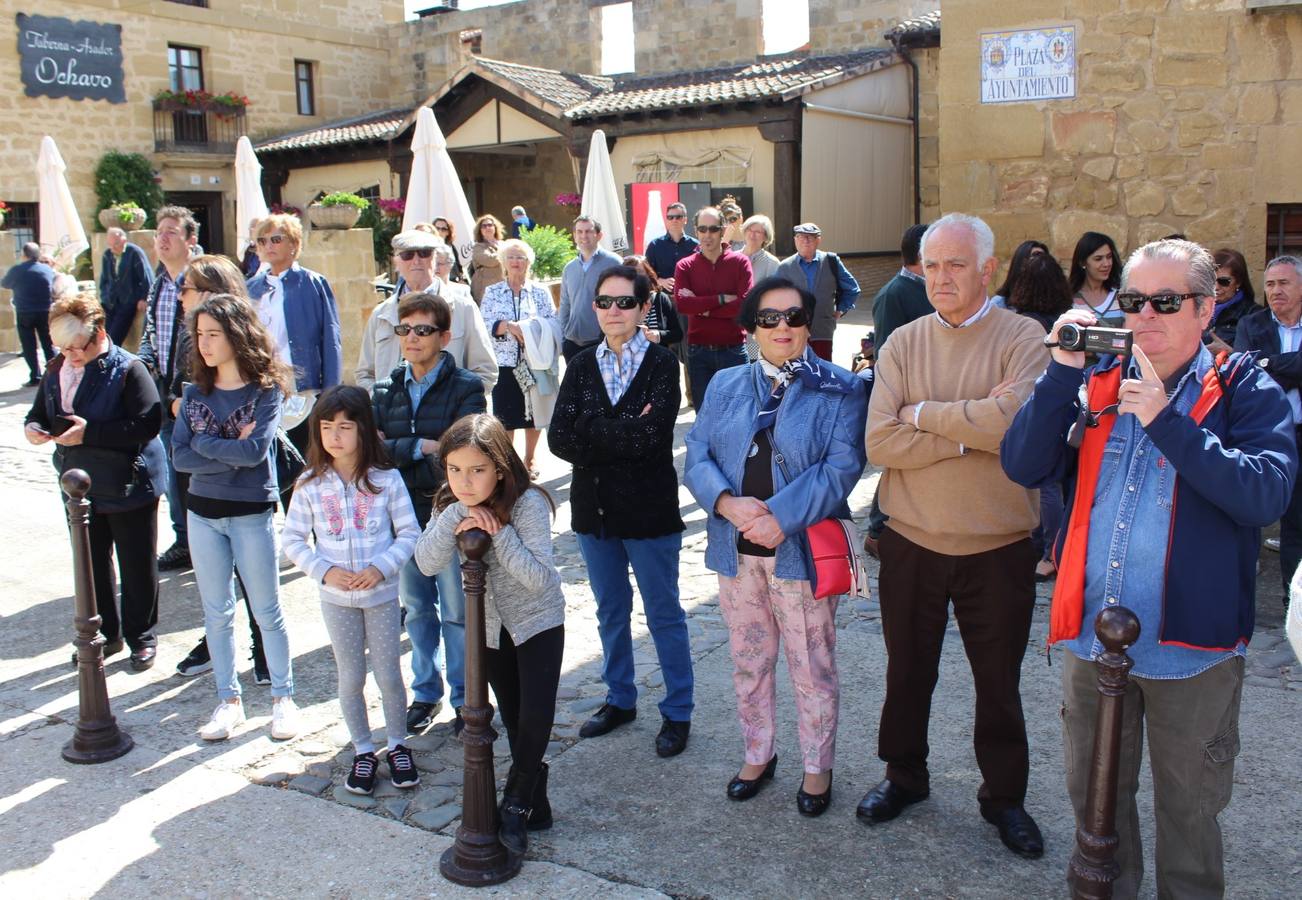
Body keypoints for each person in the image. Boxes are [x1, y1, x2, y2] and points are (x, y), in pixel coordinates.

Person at [1002, 239, 1297, 897]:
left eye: (1166, 302)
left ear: (1206, 306)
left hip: (1190, 652)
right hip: (1089, 641)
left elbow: (1265, 494)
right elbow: (1022, 464)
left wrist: (1167, 421)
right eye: (1133, 301)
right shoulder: (1096, 379)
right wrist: (1059, 372)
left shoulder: (1245, 385)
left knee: (1189, 817)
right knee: (1095, 810)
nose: (1145, 317)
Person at [859, 213, 1050, 858]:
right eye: (932, 264)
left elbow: (1016, 426)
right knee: (907, 673)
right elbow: (879, 439)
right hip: (912, 540)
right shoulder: (902, 343)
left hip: (998, 547)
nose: (940, 277)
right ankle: (903, 777)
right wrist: (974, 431)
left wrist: (927, 418)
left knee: (998, 682)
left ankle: (1004, 798)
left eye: (956, 265)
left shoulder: (1025, 338)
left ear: (987, 270)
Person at [684, 276, 868, 816]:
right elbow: (696, 454)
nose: (782, 327)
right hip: (735, 549)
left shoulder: (840, 388)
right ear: (751, 327)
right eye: (769, 318)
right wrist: (724, 503)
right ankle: (758, 754)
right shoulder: (724, 385)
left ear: (809, 323)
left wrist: (780, 518)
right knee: (749, 660)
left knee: (812, 666)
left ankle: (817, 766)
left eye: (793, 316)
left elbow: (841, 468)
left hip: (800, 552)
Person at [548, 265, 694, 757]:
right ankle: (620, 698)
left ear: (642, 306)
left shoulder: (661, 365)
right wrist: (621, 431)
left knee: (663, 613)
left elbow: (654, 440)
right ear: (594, 307)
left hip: (649, 511)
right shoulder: (583, 364)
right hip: (595, 512)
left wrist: (591, 427)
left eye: (625, 302)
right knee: (611, 610)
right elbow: (559, 439)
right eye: (605, 302)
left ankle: (678, 710)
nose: (614, 311)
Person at [414, 413, 564, 858]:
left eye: (477, 470)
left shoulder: (529, 503)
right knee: (516, 719)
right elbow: (424, 562)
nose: (464, 480)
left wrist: (500, 535)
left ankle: (516, 804)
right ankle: (538, 804)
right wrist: (457, 514)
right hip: (490, 630)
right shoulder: (450, 504)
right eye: (454, 469)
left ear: (499, 466)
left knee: (535, 717)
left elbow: (541, 580)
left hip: (537, 623)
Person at [282, 385, 422, 795]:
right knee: (350, 676)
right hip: (336, 601)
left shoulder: (386, 480)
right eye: (327, 427)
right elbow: (292, 541)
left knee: (389, 673)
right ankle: (363, 749)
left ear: (364, 429)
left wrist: (381, 568)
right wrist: (324, 571)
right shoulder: (309, 484)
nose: (335, 436)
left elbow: (409, 532)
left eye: (345, 426)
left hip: (380, 598)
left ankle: (397, 743)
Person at [171, 293, 299, 742]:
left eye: (214, 334)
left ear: (237, 335)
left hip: (250, 513)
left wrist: (206, 443)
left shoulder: (265, 392)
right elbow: (180, 458)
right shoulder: (192, 393)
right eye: (199, 335)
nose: (204, 344)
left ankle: (283, 698)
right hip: (202, 513)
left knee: (267, 610)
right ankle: (228, 701)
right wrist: (224, 450)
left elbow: (254, 452)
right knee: (216, 612)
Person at [24, 293, 166, 671]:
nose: (70, 355)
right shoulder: (56, 369)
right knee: (91, 566)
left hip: (128, 482)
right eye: (61, 348)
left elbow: (148, 424)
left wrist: (90, 434)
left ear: (99, 333)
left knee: (136, 564)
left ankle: (142, 637)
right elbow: (40, 410)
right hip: (78, 485)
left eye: (77, 347)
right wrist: (34, 427)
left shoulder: (128, 368)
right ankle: (105, 634)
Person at [372, 291, 487, 735]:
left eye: (422, 330)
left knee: (457, 612)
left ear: (444, 335)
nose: (412, 338)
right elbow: (374, 451)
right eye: (404, 329)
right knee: (417, 610)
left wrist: (408, 450)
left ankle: (464, 698)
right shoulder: (386, 388)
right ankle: (425, 692)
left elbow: (466, 450)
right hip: (400, 517)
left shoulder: (466, 387)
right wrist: (420, 446)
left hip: (449, 513)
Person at [167, 256, 270, 683]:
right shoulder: (192, 335)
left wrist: (200, 429)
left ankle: (263, 650)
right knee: (215, 575)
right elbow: (179, 398)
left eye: (188, 288)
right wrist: (190, 416)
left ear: (210, 293)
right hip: (202, 476)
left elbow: (252, 445)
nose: (180, 295)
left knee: (254, 575)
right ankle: (215, 645)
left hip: (247, 486)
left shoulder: (242, 334)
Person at [245, 212, 344, 472]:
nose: (268, 245)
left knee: (303, 464)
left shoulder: (312, 283)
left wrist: (330, 392)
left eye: (276, 239)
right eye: (262, 240)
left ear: (294, 243)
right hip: (262, 386)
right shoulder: (251, 288)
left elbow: (330, 338)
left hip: (302, 387)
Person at [862, 223, 933, 559]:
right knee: (900, 465)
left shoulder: (929, 288)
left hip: (930, 393)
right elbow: (888, 355)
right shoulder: (894, 294)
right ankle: (877, 530)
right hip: (907, 397)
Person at [1236, 255, 1302, 600]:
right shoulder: (1253, 325)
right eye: (1271, 284)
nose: (1275, 291)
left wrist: (1270, 363)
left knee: (1298, 525)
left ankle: (1295, 603)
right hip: (1266, 436)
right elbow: (1246, 372)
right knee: (1253, 517)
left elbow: (1262, 367)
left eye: (1284, 283)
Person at [355, 231, 497, 392]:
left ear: (435, 259)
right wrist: (383, 402)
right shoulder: (381, 314)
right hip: (394, 415)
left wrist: (458, 406)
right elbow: (364, 374)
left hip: (450, 415)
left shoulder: (463, 309)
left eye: (424, 253)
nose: (416, 261)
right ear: (396, 262)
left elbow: (485, 371)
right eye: (407, 255)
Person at [1006, 252, 1074, 582]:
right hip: (1064, 399)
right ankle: (1047, 546)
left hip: (1039, 402)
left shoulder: (1026, 324)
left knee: (1046, 485)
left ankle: (1051, 551)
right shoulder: (1066, 320)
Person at [139, 205, 199, 572]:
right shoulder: (159, 282)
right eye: (159, 231)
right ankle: (185, 538)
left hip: (196, 391)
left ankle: (205, 537)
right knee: (174, 467)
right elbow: (151, 336)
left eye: (171, 231)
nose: (162, 238)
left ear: (190, 240)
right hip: (165, 393)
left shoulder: (202, 279)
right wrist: (143, 366)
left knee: (198, 467)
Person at [480, 239, 560, 475]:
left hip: (533, 361)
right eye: (512, 257)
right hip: (504, 363)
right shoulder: (493, 292)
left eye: (521, 257)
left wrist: (529, 329)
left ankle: (530, 458)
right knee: (505, 413)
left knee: (533, 413)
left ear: (528, 262)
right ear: (504, 261)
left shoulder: (540, 291)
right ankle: (508, 460)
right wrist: (507, 326)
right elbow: (484, 324)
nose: (516, 262)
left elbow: (552, 321)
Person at [674, 206, 754, 409]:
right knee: (705, 416)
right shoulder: (685, 265)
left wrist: (701, 307)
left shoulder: (740, 262)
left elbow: (745, 306)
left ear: (722, 229)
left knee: (739, 414)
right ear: (695, 230)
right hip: (699, 354)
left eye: (713, 229)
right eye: (702, 229)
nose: (707, 235)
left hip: (733, 351)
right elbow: (683, 304)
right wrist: (720, 299)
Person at [775, 223, 860, 362]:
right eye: (801, 237)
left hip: (823, 330)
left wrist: (841, 310)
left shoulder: (831, 261)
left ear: (818, 240)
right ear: (795, 240)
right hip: (794, 331)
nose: (806, 241)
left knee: (822, 371)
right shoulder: (785, 266)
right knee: (795, 371)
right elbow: (774, 297)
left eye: (811, 237)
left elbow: (852, 289)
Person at [557, 215, 622, 361]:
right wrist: (564, 334)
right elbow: (565, 304)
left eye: (588, 231)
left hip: (602, 341)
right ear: (574, 236)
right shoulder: (569, 268)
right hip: (572, 343)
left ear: (599, 235)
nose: (583, 236)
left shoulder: (614, 263)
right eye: (579, 232)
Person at [3, 242, 56, 386]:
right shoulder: (47, 269)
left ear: (24, 255)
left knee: (29, 345)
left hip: (25, 311)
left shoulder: (18, 270)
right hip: (44, 310)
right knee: (48, 343)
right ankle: (55, 373)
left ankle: (35, 376)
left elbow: (5, 283)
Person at [98, 228, 153, 345]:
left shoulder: (134, 253)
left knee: (114, 338)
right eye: (110, 244)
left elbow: (146, 277)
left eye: (116, 244)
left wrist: (144, 297)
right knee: (102, 336)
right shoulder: (107, 255)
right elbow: (104, 280)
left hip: (127, 301)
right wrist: (104, 296)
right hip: (110, 302)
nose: (113, 248)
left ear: (124, 240)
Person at [621, 254, 683, 350]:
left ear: (648, 275)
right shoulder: (619, 302)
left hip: (657, 361)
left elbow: (677, 334)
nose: (635, 277)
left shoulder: (660, 298)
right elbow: (605, 335)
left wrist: (658, 335)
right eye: (630, 273)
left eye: (640, 272)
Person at [740, 215, 781, 361]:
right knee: (734, 371)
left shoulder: (771, 263)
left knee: (753, 365)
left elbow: (775, 299)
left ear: (766, 237)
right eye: (750, 229)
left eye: (758, 232)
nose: (752, 234)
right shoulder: (732, 258)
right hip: (731, 328)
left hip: (755, 329)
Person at [1207, 248, 1257, 350]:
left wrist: (1230, 352)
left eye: (1224, 281)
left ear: (1238, 282)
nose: (1216, 287)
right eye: (1211, 279)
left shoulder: (1253, 315)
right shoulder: (1197, 310)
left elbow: (1259, 360)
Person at [1069, 231, 1123, 325]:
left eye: (1109, 257)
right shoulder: (1070, 300)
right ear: (1082, 263)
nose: (1106, 264)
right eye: (1098, 259)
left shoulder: (1121, 295)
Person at [644, 201, 698, 290]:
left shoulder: (696, 245)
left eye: (678, 217)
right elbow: (645, 274)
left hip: (689, 298)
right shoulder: (654, 245)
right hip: (662, 298)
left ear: (685, 220)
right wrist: (660, 281)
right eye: (670, 217)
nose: (674, 220)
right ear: (667, 220)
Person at [990, 239, 1050, 309]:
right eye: (1034, 256)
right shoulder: (1000, 303)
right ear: (1020, 264)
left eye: (1044, 257)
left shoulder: (1055, 300)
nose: (1040, 262)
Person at [469, 214, 505, 304]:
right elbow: (490, 261)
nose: (487, 228)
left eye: (490, 225)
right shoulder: (478, 247)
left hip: (503, 285)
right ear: (480, 230)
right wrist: (504, 253)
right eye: (484, 226)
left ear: (495, 227)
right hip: (484, 288)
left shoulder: (503, 244)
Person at [431, 217, 465, 284]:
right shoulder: (428, 247)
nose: (440, 231)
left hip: (452, 282)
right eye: (437, 228)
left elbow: (458, 266)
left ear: (448, 232)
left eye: (444, 229)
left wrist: (461, 279)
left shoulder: (451, 247)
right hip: (434, 282)